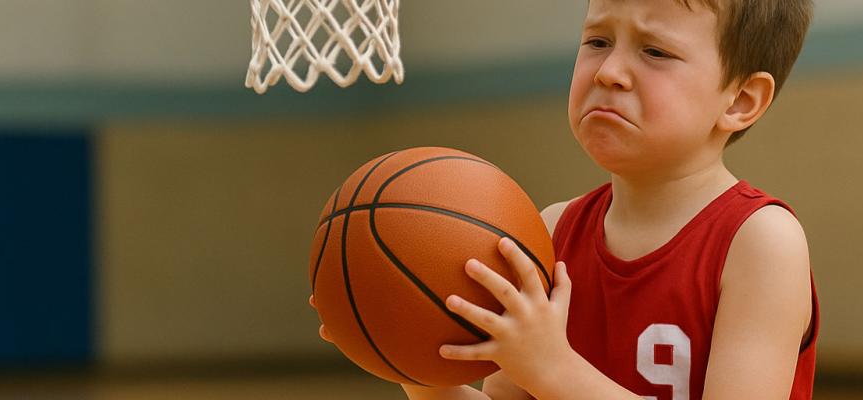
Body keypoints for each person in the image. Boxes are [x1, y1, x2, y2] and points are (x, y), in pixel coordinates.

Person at [318, 0, 817, 398]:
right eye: (597, 41)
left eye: (655, 52)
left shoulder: (761, 242)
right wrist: (405, 350)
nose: (609, 72)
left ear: (740, 100)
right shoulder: (549, 232)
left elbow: (551, 374)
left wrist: (554, 370)